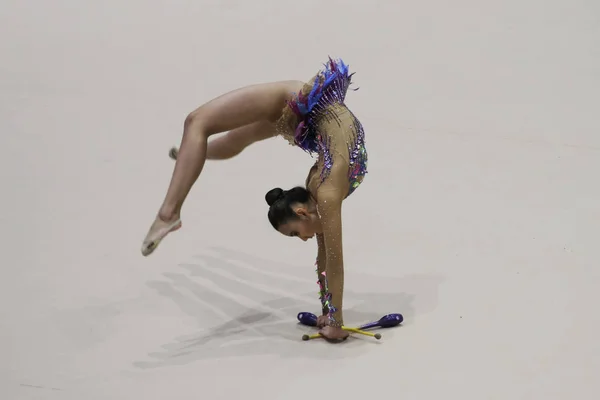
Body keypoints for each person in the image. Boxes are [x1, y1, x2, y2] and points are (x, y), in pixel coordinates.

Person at [142, 58, 367, 341]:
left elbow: (324, 256)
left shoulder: (318, 190)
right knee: (196, 122)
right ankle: (168, 213)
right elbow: (334, 259)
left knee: (235, 141)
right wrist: (336, 321)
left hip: (309, 117)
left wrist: (329, 314)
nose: (301, 238)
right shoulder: (327, 192)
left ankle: (192, 153)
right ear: (302, 212)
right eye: (295, 233)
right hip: (292, 100)